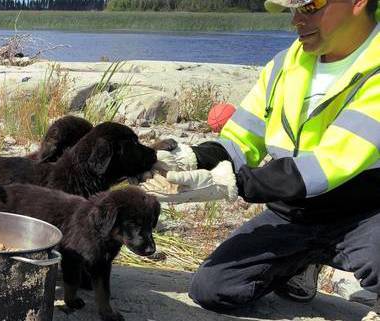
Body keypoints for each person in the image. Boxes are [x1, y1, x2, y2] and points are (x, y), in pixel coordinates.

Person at [141, 0, 380, 319]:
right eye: (291, 10)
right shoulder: (284, 66)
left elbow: (326, 166)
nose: (295, 20)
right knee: (212, 289)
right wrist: (191, 159)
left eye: (309, 7)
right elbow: (240, 143)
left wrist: (229, 183)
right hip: (292, 214)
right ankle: (299, 263)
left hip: (364, 214)